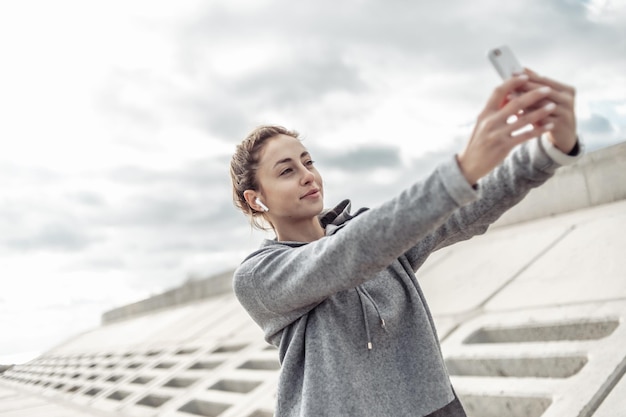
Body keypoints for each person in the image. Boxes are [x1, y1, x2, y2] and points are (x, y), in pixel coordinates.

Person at [228, 69, 581, 417]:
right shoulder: (258, 277)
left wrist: (548, 152)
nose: (307, 175)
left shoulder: (369, 234)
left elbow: (461, 213)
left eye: (308, 162)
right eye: (287, 170)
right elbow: (342, 257)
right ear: (256, 199)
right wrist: (462, 169)